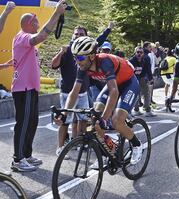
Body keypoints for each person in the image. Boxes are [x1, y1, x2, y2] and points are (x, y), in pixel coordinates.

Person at [56, 36, 143, 165]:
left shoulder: (104, 62)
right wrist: (64, 114)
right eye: (75, 57)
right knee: (94, 121)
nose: (76, 62)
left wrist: (105, 118)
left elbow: (114, 92)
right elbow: (74, 92)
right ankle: (109, 152)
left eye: (80, 58)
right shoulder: (82, 67)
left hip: (129, 83)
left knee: (116, 121)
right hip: (113, 84)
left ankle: (136, 145)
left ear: (91, 56)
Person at [11, 0, 67, 172]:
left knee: (32, 123)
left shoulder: (27, 40)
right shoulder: (22, 37)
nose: (38, 24)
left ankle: (26, 155)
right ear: (29, 23)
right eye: (36, 22)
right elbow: (42, 35)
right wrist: (56, 13)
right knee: (24, 122)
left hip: (31, 89)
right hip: (24, 88)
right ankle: (17, 160)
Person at [51, 23, 113, 157]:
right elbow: (53, 65)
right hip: (67, 92)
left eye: (81, 34)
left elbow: (100, 40)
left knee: (83, 120)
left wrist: (108, 29)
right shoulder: (67, 50)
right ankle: (60, 147)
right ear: (72, 35)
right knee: (65, 120)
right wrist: (60, 52)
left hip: (83, 92)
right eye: (76, 34)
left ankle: (78, 142)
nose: (78, 36)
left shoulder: (88, 48)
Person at [129, 46, 155, 117]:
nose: (139, 54)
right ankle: (136, 110)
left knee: (146, 92)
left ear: (143, 53)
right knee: (135, 94)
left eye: (141, 52)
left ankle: (147, 109)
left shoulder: (145, 60)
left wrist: (151, 79)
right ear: (135, 53)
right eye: (138, 52)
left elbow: (148, 70)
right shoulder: (131, 61)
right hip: (132, 78)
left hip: (142, 77)